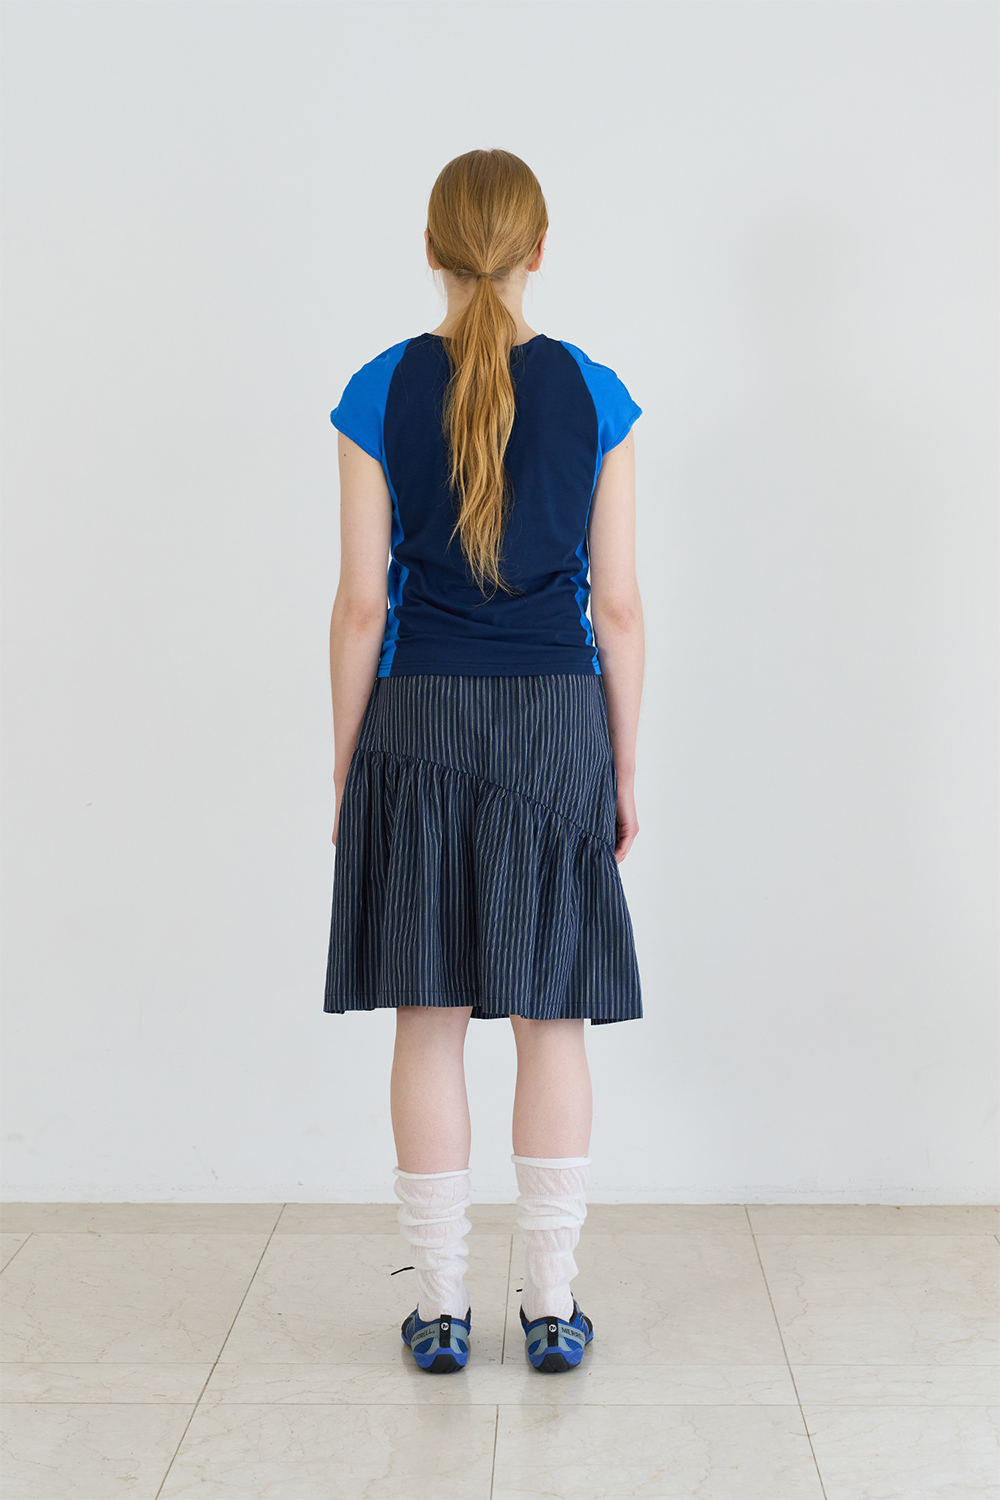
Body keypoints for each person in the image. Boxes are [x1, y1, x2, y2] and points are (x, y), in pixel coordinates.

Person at [323, 149, 644, 1375]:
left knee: (429, 1017)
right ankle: (551, 1309)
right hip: (558, 717)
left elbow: (363, 605)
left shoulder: (376, 388)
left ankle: (443, 1310)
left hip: (418, 721)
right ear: (538, 250)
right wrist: (621, 770)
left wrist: (348, 766)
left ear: (431, 249)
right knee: (552, 1017)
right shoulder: (596, 394)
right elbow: (617, 608)